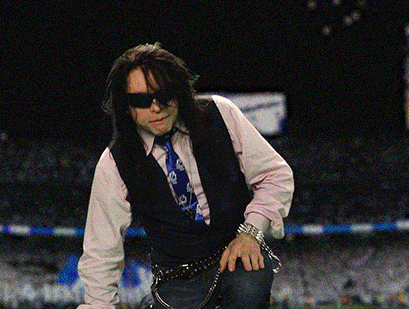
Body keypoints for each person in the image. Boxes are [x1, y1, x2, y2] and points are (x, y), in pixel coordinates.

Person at [77, 43, 294, 309]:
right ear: (126, 107)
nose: (156, 107)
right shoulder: (114, 163)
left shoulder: (220, 113)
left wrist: (251, 233)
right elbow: (101, 250)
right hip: (176, 278)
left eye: (164, 95)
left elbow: (275, 174)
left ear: (179, 91)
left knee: (246, 294)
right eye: (142, 100)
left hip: (238, 256)